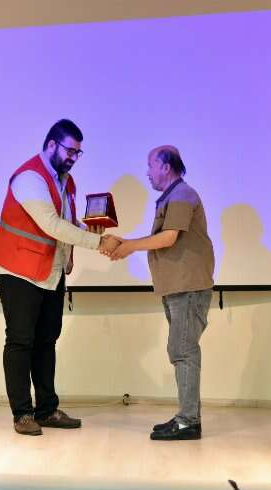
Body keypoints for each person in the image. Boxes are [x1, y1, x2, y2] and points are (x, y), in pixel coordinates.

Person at [0, 119, 120, 436]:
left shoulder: (65, 181)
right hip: (18, 270)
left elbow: (67, 222)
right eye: (70, 151)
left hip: (50, 271)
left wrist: (86, 234)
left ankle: (46, 410)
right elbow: (51, 225)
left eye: (78, 152)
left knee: (46, 341)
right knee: (21, 341)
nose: (74, 157)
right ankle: (22, 414)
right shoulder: (30, 178)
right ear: (51, 144)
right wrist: (98, 243)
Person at [108, 145, 214, 440]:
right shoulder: (173, 196)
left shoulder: (181, 195)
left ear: (166, 167)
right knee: (181, 350)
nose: (148, 172)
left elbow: (168, 238)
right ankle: (186, 417)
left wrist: (128, 246)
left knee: (183, 351)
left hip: (187, 286)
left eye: (150, 165)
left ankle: (188, 422)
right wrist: (128, 244)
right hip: (178, 286)